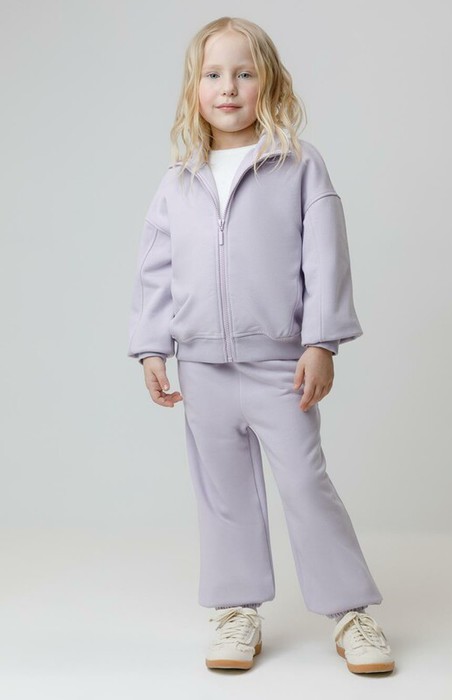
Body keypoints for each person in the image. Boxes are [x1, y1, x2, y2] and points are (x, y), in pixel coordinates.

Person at [127, 16, 395, 675]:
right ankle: (235, 611)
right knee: (223, 493)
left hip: (280, 363)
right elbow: (156, 270)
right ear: (194, 89)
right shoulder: (178, 179)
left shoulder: (298, 164)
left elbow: (324, 253)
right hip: (202, 366)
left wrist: (321, 340)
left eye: (244, 74)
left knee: (305, 484)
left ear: (268, 84)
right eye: (213, 75)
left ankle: (351, 615)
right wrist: (152, 348)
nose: (228, 87)